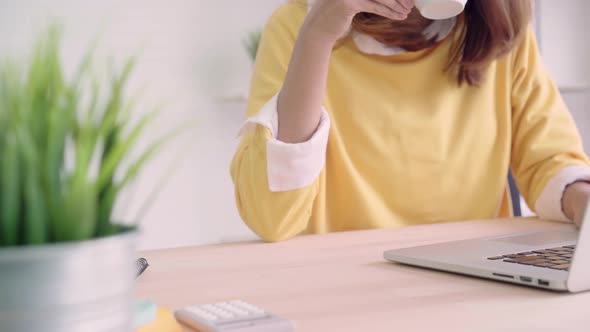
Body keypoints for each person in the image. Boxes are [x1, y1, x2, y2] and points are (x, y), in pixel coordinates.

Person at [230, 0, 590, 242]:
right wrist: (318, 35)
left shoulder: (500, 24)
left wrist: (582, 203)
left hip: (473, 279)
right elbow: (271, 219)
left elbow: (550, 162)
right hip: (342, 284)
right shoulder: (300, 26)